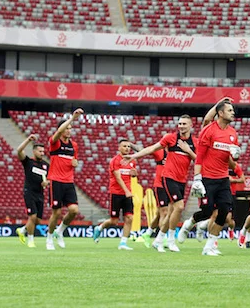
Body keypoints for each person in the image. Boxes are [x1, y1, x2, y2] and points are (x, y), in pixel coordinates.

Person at [126, 114, 196, 252]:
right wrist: (134, 155)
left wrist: (188, 150)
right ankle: (170, 240)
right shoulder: (170, 138)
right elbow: (151, 148)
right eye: (180, 123)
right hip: (168, 178)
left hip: (182, 180)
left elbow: (198, 160)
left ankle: (158, 240)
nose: (181, 126)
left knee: (170, 212)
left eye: (184, 124)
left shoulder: (195, 142)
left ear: (191, 126)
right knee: (179, 207)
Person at [184, 99, 241, 256]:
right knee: (207, 211)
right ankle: (190, 222)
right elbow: (200, 156)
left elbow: (232, 160)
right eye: (229, 110)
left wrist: (235, 156)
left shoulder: (232, 133)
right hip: (207, 178)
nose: (233, 113)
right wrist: (197, 178)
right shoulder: (208, 130)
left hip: (223, 178)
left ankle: (209, 247)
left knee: (224, 212)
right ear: (220, 113)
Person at [46, 108, 83, 251]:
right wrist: (72, 118)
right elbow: (57, 134)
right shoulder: (54, 142)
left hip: (69, 181)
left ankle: (59, 231)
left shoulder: (74, 146)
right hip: (56, 180)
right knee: (56, 212)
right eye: (66, 128)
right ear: (61, 130)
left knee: (74, 210)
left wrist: (75, 163)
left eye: (70, 128)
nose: (69, 130)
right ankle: (49, 238)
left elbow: (73, 161)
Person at [93, 139, 138, 250]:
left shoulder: (132, 161)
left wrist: (134, 174)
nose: (127, 148)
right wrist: (126, 191)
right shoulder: (115, 161)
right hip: (116, 193)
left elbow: (132, 174)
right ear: (119, 148)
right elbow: (118, 178)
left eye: (128, 146)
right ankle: (100, 228)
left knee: (129, 218)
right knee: (114, 221)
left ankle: (123, 243)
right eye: (124, 146)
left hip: (127, 194)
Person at [15, 134, 48, 248]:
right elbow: (19, 151)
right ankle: (31, 240)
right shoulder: (28, 162)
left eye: (43, 151)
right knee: (32, 217)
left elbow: (49, 178)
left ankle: (22, 229)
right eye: (40, 151)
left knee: (38, 221)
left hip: (40, 193)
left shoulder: (45, 165)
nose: (42, 153)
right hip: (29, 192)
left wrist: (47, 182)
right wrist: (28, 140)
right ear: (34, 151)